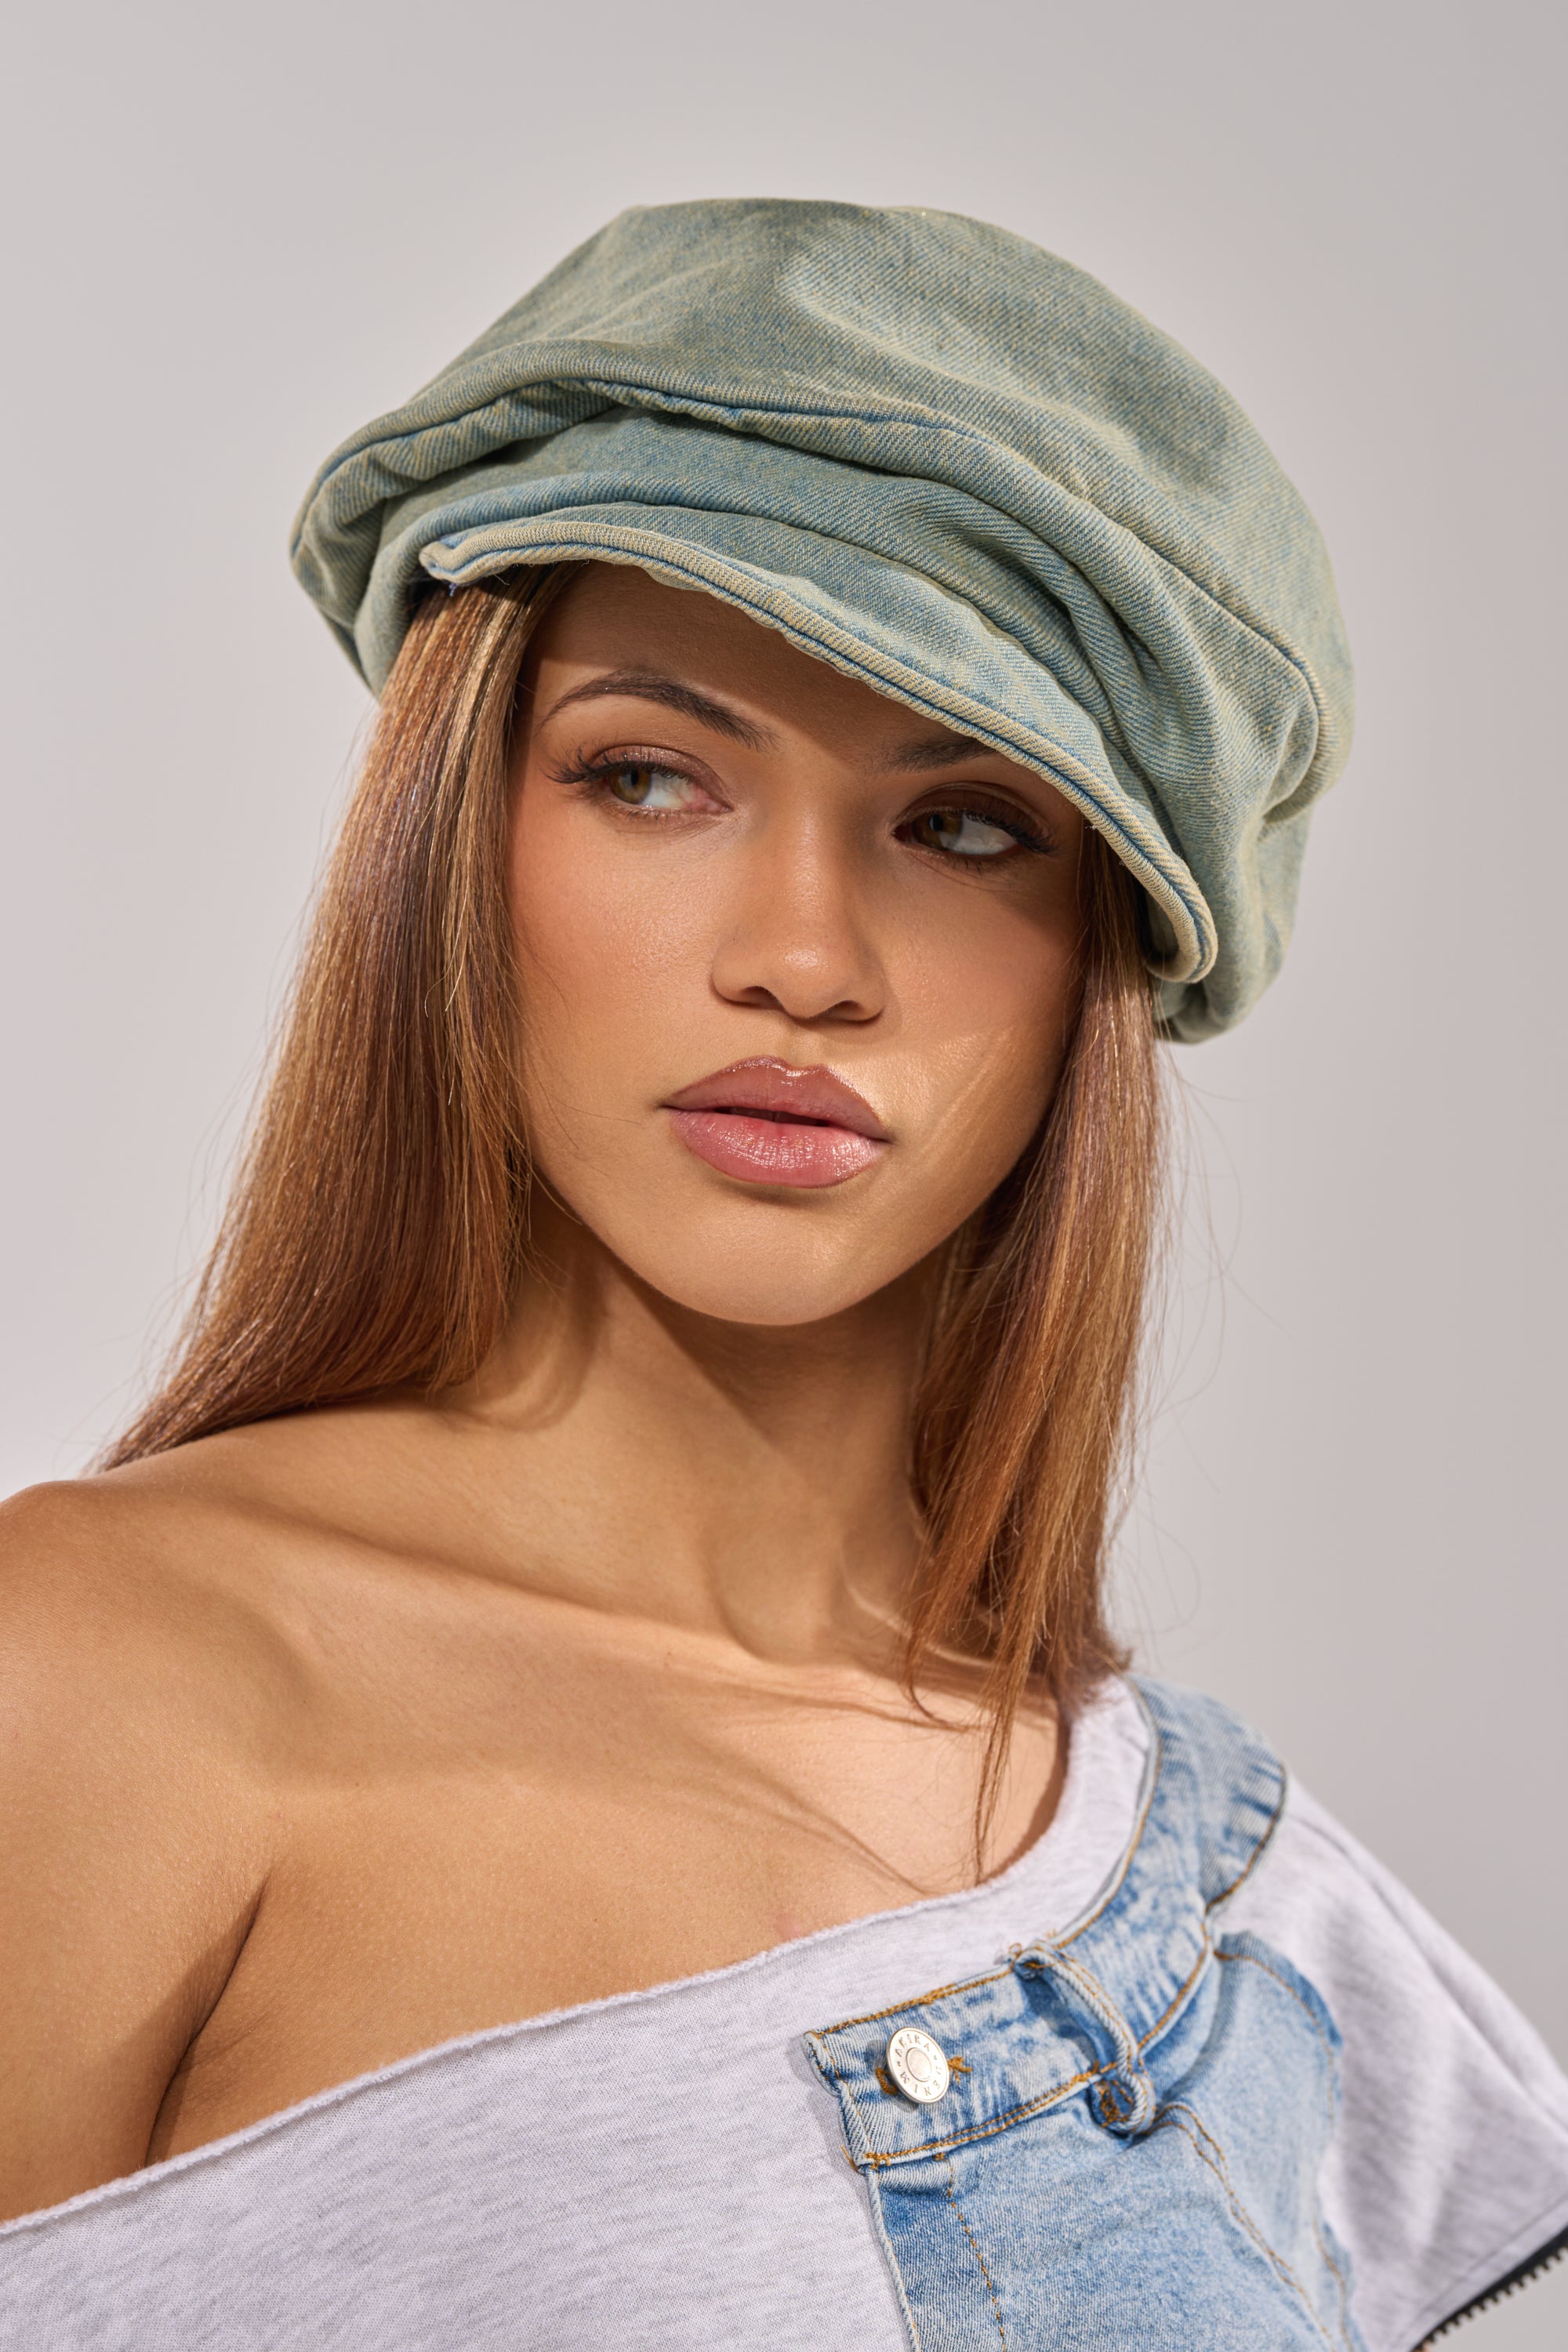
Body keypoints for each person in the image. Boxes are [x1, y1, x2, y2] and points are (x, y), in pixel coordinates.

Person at [0, 201, 1563, 2352]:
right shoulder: (93, 1686)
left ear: (1114, 942)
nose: (803, 958)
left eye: (971, 822)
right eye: (652, 777)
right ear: (464, 836)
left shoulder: (1226, 1902)